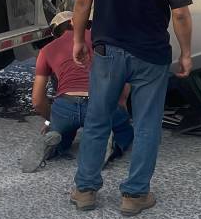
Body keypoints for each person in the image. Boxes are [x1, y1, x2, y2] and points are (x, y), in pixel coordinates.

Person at [69, 0, 194, 217]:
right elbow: (179, 13)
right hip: (150, 56)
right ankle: (135, 195)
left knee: (98, 119)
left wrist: (77, 39)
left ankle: (85, 190)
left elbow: (83, 0)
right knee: (148, 124)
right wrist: (186, 53)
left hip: (107, 51)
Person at [20, 11, 133, 173]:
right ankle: (109, 144)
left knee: (62, 135)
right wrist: (121, 104)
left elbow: (37, 101)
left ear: (56, 32)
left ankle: (54, 143)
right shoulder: (100, 40)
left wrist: (51, 121)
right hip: (99, 103)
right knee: (124, 130)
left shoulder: (46, 50)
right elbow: (121, 73)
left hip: (65, 105)